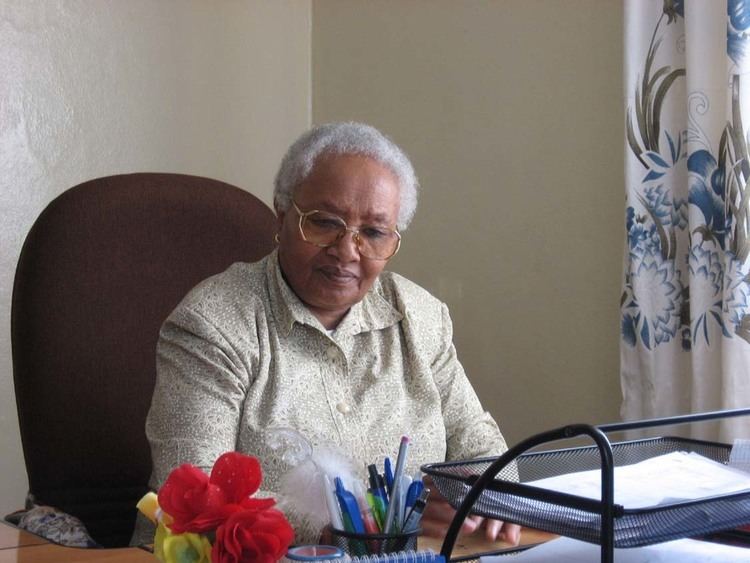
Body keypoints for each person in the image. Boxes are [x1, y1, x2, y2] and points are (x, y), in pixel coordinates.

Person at [143, 122, 520, 546]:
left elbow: (480, 442)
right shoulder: (215, 321)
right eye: (324, 223)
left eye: (374, 233)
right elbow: (194, 492)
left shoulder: (421, 317)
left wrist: (491, 491)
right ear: (282, 216)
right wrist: (354, 525)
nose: (347, 251)